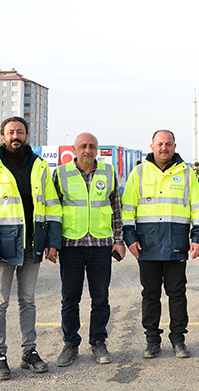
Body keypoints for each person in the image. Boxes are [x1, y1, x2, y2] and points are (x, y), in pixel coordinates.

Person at [0, 116, 62, 380]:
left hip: (32, 245)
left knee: (28, 302)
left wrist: (52, 243)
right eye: (11, 132)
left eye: (20, 132)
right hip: (1, 247)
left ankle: (29, 352)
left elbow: (53, 207)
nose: (15, 136)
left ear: (27, 135)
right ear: (2, 136)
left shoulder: (40, 166)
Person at [122, 130, 199, 359]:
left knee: (177, 294)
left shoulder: (187, 173)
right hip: (147, 246)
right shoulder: (139, 173)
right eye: (160, 144)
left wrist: (198, 238)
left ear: (174, 146)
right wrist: (130, 239)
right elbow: (127, 209)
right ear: (152, 146)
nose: (164, 148)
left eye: (168, 144)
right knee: (150, 295)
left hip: (176, 246)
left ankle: (178, 340)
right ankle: (152, 340)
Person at [53, 132, 126, 367]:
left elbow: (116, 208)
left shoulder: (108, 172)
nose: (88, 150)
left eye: (92, 146)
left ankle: (98, 342)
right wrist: (52, 243)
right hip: (71, 245)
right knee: (70, 299)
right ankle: (70, 344)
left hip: (101, 245)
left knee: (101, 298)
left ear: (97, 150)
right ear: (74, 150)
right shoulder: (61, 173)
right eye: (83, 146)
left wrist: (118, 240)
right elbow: (53, 210)